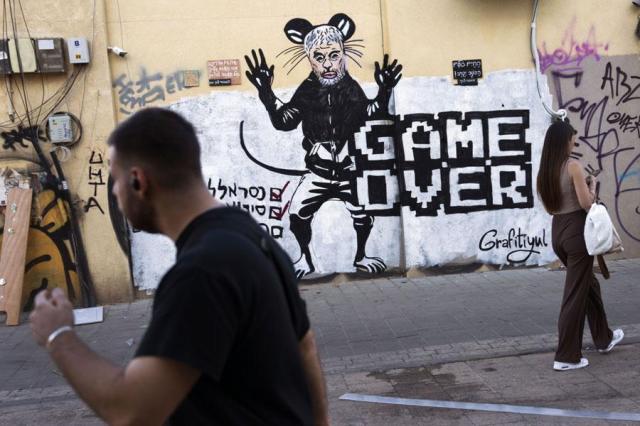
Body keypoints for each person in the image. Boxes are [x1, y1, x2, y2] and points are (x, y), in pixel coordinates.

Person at [29, 107, 329, 425]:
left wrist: (58, 334)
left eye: (114, 180)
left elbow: (131, 410)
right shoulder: (247, 233)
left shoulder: (201, 272)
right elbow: (305, 344)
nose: (114, 194)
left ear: (138, 181)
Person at [244, 13, 402, 278]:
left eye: (334, 55)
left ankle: (361, 255)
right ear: (310, 59)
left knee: (363, 215)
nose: (328, 64)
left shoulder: (351, 89)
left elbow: (371, 114)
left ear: (343, 54)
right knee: (297, 216)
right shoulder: (307, 90)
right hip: (318, 173)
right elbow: (285, 121)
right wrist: (266, 93)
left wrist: (384, 90)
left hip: (350, 171)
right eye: (319, 57)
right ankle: (305, 260)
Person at [536, 120, 623, 371]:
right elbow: (587, 204)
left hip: (558, 232)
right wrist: (592, 184)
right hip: (577, 232)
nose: (575, 141)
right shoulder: (573, 166)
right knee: (574, 296)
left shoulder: (545, 170)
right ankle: (566, 356)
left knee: (587, 284)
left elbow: (550, 206)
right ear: (565, 140)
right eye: (573, 137)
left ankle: (603, 338)